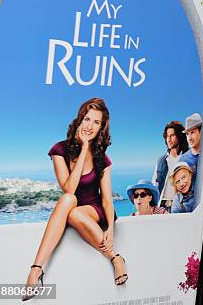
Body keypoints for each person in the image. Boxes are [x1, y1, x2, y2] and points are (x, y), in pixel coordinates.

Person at [23, 98, 127, 301]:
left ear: (101, 128)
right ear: (79, 120)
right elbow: (69, 188)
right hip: (73, 207)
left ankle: (115, 257)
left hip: (95, 210)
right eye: (87, 119)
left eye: (96, 122)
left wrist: (111, 230)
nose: (90, 126)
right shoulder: (59, 150)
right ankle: (36, 269)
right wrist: (84, 148)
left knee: (73, 209)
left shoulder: (102, 158)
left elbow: (106, 198)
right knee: (69, 201)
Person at [153, 121, 188, 211]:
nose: (169, 139)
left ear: (179, 136)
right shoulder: (161, 160)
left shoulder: (188, 158)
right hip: (162, 205)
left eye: (172, 135)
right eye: (167, 136)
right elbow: (154, 184)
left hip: (182, 205)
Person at [177, 113, 202, 207]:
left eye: (192, 132)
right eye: (187, 134)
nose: (189, 138)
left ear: (201, 132)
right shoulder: (183, 160)